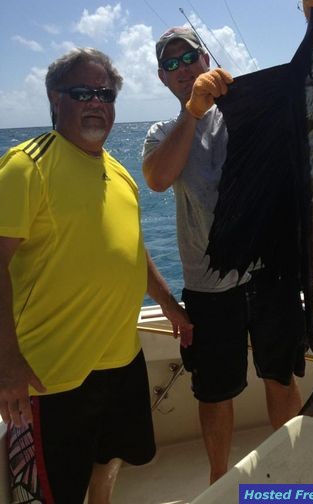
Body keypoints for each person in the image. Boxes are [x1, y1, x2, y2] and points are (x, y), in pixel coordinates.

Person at [141, 0, 313, 484]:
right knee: (214, 391)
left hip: (269, 273)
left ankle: (292, 477)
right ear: (162, 78)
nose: (183, 67)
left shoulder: (250, 109)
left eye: (190, 57)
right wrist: (193, 113)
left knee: (280, 377)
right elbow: (158, 178)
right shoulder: (162, 132)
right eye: (171, 63)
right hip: (209, 286)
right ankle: (219, 482)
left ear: (207, 59)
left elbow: (311, 86)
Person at [0, 48, 193, 504]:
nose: (96, 103)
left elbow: (131, 251)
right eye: (82, 92)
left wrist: (170, 306)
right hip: (50, 373)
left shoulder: (119, 173)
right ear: (55, 98)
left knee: (112, 455)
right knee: (55, 490)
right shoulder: (26, 166)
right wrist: (7, 362)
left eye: (105, 95)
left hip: (120, 359)